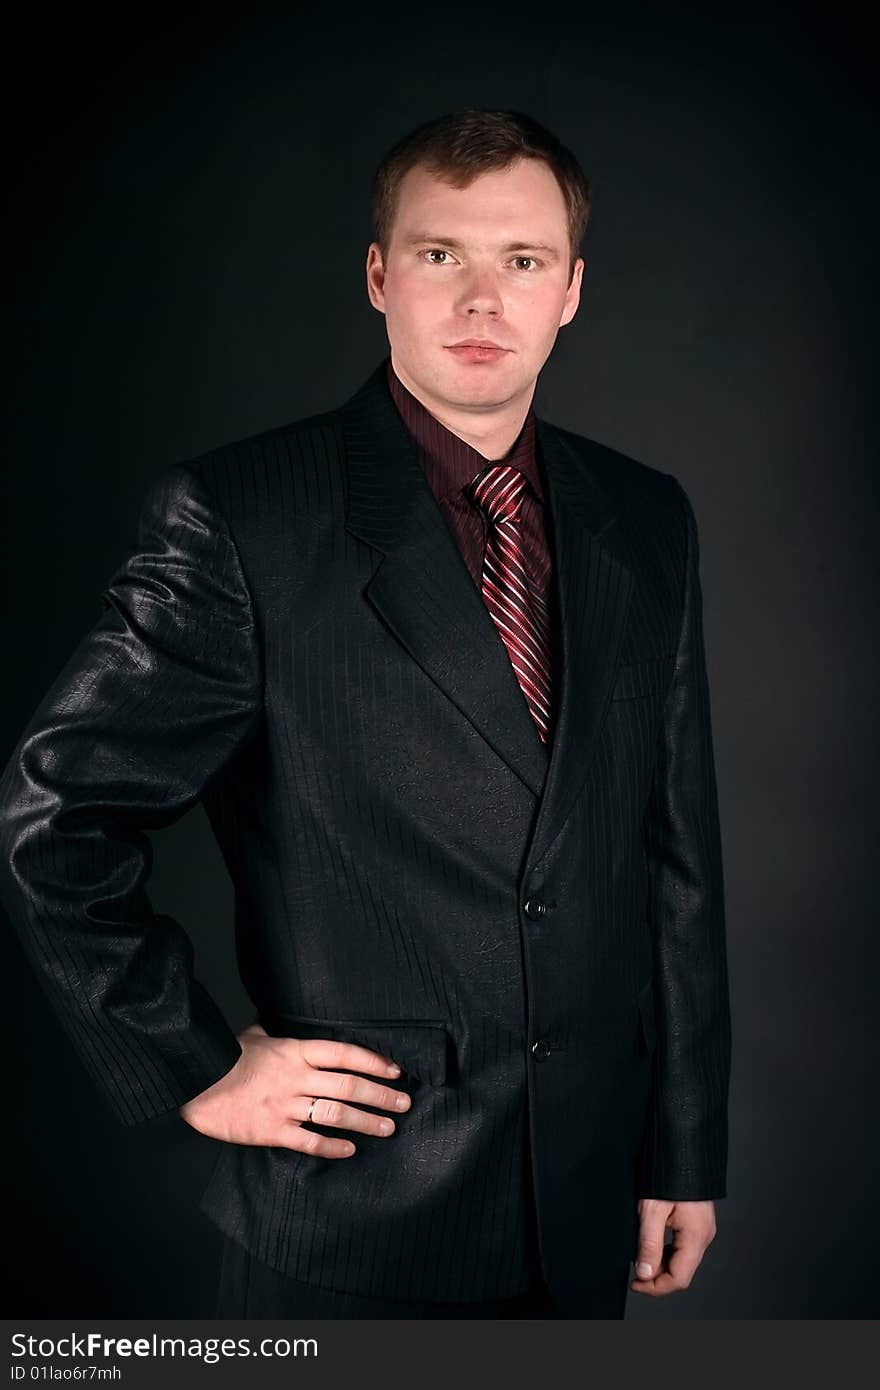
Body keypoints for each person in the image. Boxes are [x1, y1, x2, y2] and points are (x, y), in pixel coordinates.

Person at [0, 107, 731, 1320]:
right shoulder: (245, 516)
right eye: (443, 255)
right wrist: (192, 1063)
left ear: (572, 291)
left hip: (590, 1195)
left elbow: (675, 855)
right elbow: (52, 811)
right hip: (354, 1216)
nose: (483, 298)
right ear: (381, 275)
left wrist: (685, 1147)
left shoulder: (646, 518)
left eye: (523, 261)